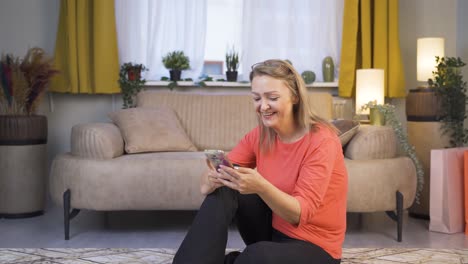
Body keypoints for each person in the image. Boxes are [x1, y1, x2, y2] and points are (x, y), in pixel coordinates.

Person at [173, 59, 347, 264]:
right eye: (256, 98)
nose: (263, 106)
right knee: (227, 183)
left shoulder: (321, 141)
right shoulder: (260, 135)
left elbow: (299, 215)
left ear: (295, 97)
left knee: (255, 257)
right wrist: (211, 180)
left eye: (272, 97)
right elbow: (205, 186)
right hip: (273, 232)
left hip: (316, 248)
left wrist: (261, 186)